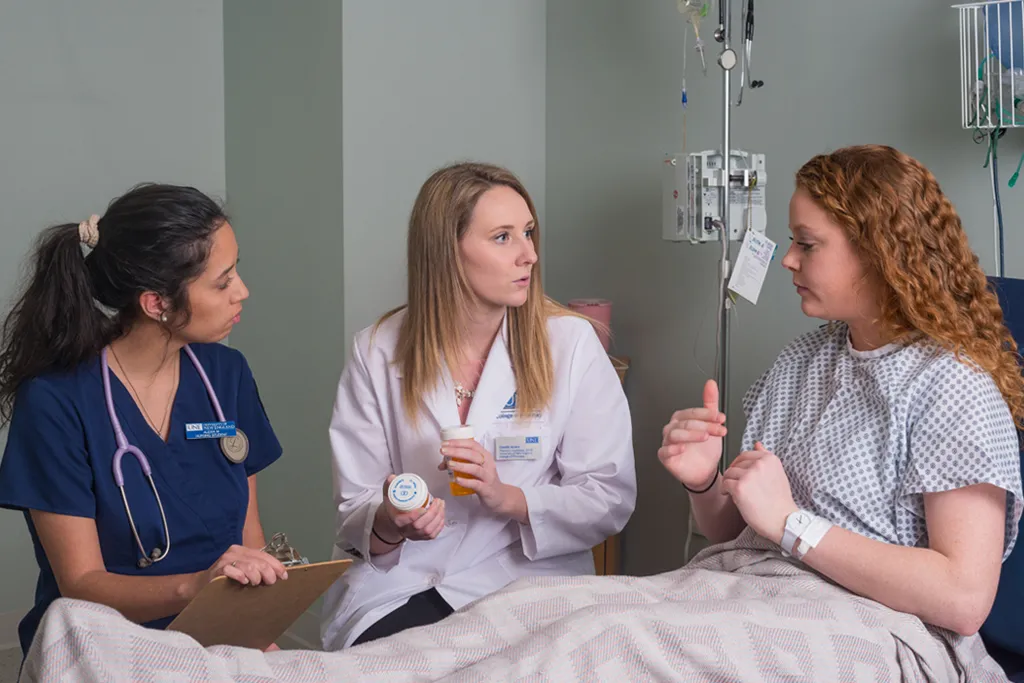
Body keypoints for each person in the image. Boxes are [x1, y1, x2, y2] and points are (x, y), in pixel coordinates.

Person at [659, 145, 1023, 671]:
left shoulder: (951, 388)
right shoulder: (801, 362)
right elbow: (736, 532)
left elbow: (962, 599)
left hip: (872, 630)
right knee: (529, 618)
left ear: (881, 254)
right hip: (749, 596)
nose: (788, 259)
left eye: (807, 244)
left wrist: (791, 521)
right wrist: (703, 483)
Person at [320, 162, 637, 650]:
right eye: (503, 237)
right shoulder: (378, 350)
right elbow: (354, 511)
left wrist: (507, 497)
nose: (529, 254)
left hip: (532, 582)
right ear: (447, 252)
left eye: (529, 232)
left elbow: (607, 497)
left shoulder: (568, 343)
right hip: (410, 582)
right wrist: (391, 520)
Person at [0, 184, 288, 657]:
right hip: (103, 645)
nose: (243, 291)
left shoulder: (225, 375)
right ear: (157, 304)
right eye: (223, 280)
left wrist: (260, 638)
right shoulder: (56, 400)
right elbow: (81, 584)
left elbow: (248, 538)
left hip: (220, 634)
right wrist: (196, 587)